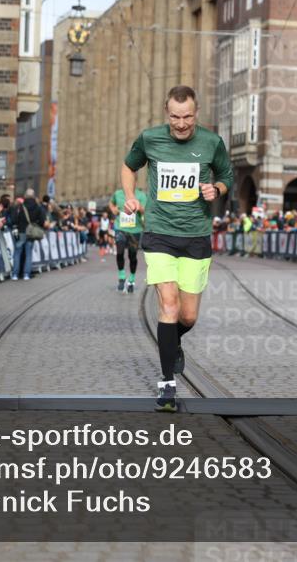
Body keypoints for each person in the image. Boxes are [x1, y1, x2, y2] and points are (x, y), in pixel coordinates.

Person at [121, 85, 234, 412]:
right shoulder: (151, 139)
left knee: (188, 315)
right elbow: (129, 166)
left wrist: (217, 188)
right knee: (167, 306)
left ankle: (174, 343)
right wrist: (130, 195)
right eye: (175, 117)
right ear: (166, 113)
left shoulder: (211, 142)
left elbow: (227, 175)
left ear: (196, 114)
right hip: (158, 233)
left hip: (196, 236)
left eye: (187, 117)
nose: (181, 124)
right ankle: (168, 384)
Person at [109, 186, 148, 293]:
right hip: (120, 228)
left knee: (132, 256)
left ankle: (131, 279)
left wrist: (140, 208)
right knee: (120, 252)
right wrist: (113, 209)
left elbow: (146, 211)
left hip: (135, 230)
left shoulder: (141, 195)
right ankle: (121, 277)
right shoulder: (118, 193)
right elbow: (111, 203)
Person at [11, 188, 45, 281]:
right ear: (34, 196)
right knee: (29, 253)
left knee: (17, 253)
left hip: (21, 231)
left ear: (25, 196)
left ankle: (15, 274)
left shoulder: (20, 206)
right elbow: (42, 221)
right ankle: (26, 274)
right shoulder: (38, 207)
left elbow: (13, 219)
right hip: (31, 233)